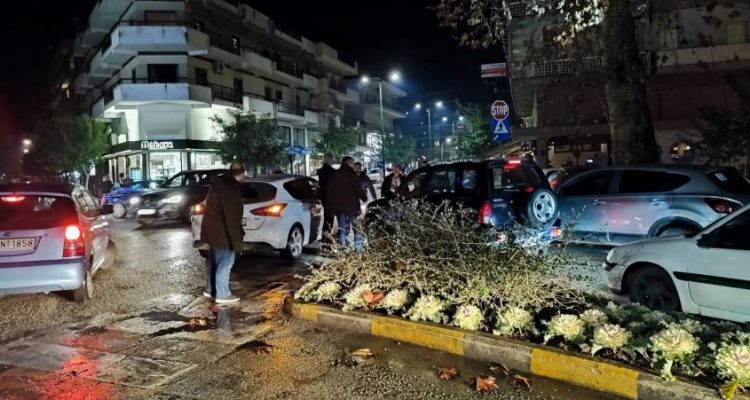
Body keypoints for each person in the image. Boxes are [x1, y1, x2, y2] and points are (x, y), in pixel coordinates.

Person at [200, 161, 246, 304]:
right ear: (241, 174)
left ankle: (210, 289)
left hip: (213, 231)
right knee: (225, 262)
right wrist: (236, 240)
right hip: (223, 233)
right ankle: (223, 294)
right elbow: (231, 217)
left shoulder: (219, 185)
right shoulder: (229, 189)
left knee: (214, 261)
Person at [325, 156, 366, 250]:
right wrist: (364, 198)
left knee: (342, 229)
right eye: (353, 163)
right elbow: (358, 190)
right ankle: (358, 249)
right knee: (356, 228)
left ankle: (342, 249)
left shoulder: (335, 174)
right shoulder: (352, 175)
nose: (353, 165)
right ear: (349, 163)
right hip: (352, 207)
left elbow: (329, 190)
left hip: (339, 208)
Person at [317, 153, 336, 241]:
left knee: (325, 218)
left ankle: (324, 236)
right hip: (331, 199)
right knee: (329, 219)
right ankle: (326, 237)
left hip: (323, 198)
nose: (333, 161)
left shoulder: (321, 171)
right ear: (329, 159)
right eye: (332, 159)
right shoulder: (332, 171)